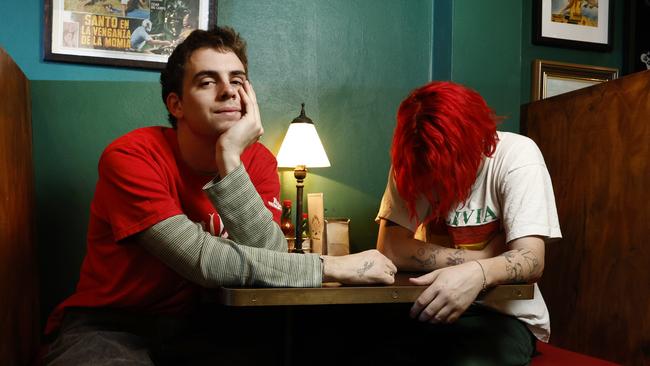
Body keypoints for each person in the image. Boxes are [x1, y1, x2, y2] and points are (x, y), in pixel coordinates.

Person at [44, 26, 396, 365]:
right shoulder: (131, 157)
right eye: (208, 81)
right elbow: (203, 261)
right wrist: (329, 266)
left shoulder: (257, 162)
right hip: (110, 325)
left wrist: (230, 160)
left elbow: (269, 255)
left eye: (238, 80)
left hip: (200, 328)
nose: (228, 91)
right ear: (176, 104)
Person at [375, 81, 561, 365]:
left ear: (476, 145)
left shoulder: (517, 156)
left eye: (445, 172)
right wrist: (484, 257)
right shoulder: (413, 157)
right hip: (426, 304)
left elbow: (532, 259)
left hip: (501, 315)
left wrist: (478, 274)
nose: (435, 188)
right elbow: (389, 248)